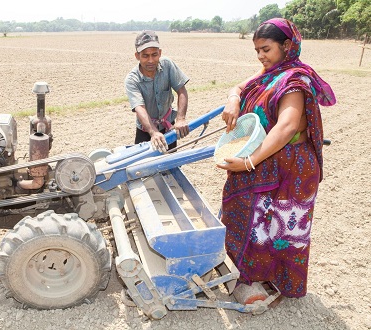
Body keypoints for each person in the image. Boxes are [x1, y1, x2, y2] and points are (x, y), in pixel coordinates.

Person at [217, 18, 336, 303]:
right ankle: (244, 276)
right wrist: (234, 98)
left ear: (287, 45)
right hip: (266, 158)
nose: (261, 56)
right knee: (247, 215)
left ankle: (272, 282)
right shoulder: (270, 72)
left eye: (266, 49)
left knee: (280, 226)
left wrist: (248, 163)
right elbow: (240, 86)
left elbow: (287, 127)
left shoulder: (295, 81)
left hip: (291, 166)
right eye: (257, 50)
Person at [125, 30, 190, 152]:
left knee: (170, 164)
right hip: (145, 131)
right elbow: (140, 108)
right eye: (145, 55)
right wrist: (153, 132)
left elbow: (181, 90)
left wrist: (181, 118)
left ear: (160, 53)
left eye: (154, 54)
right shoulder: (132, 79)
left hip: (168, 128)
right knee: (143, 168)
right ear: (137, 56)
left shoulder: (168, 65)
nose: (150, 60)